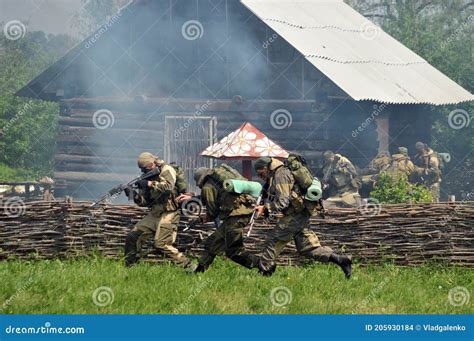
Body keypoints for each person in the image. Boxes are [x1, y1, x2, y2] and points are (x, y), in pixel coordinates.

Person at [254, 156, 352, 278]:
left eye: (260, 173)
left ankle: (264, 271)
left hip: (294, 216)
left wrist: (265, 208)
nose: (260, 176)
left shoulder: (280, 174)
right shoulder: (280, 173)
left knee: (274, 240)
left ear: (265, 168)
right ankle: (341, 260)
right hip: (300, 215)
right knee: (308, 248)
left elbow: (282, 201)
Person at [177, 165, 259, 272]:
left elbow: (212, 212)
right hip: (238, 214)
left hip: (236, 217)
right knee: (212, 243)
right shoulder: (217, 181)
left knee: (234, 251)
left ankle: (263, 265)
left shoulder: (207, 187)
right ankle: (199, 271)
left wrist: (206, 217)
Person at [124, 152, 195, 270]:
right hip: (155, 213)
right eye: (142, 169)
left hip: (170, 212)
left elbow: (168, 187)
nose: (144, 171)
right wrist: (131, 194)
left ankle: (190, 267)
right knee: (133, 236)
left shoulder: (167, 169)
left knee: (161, 244)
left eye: (145, 168)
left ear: (152, 164)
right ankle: (129, 267)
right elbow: (144, 202)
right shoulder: (148, 176)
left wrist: (149, 184)